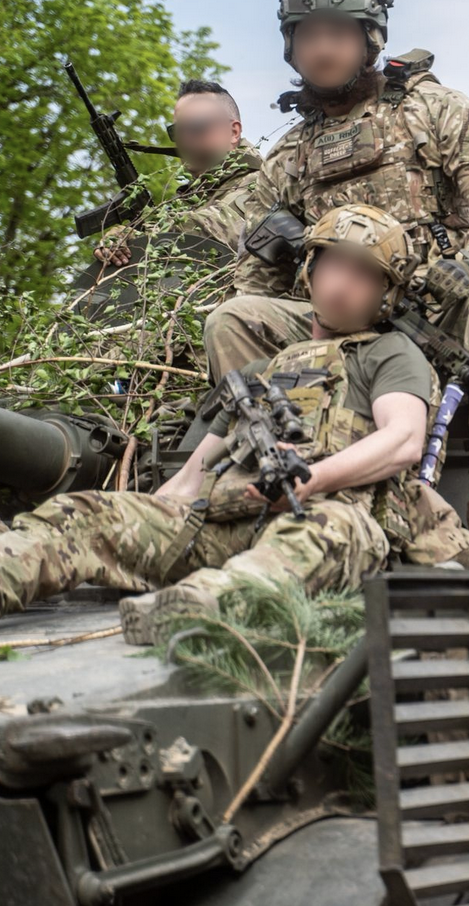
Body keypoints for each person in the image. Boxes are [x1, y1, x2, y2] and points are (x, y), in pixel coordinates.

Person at [202, 0, 469, 567]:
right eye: (309, 36)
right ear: (291, 48)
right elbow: (255, 267)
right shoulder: (289, 155)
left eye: (338, 34)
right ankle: (280, 468)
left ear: (370, 37)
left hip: (435, 309)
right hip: (334, 324)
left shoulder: (433, 110)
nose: (323, 49)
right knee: (233, 320)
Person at [0, 206, 434, 647]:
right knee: (83, 516)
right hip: (227, 523)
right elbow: (190, 481)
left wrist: (314, 479)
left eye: (363, 275)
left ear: (385, 294)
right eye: (336, 266)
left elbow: (403, 440)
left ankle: (200, 607)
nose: (342, 285)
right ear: (311, 268)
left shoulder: (388, 353)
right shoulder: (258, 374)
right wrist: (139, 518)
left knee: (325, 531)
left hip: (327, 518)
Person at [95, 79, 263, 266]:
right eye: (178, 131)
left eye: (196, 128)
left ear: (233, 132)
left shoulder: (261, 183)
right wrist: (119, 239)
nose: (185, 139)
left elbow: (215, 230)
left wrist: (139, 234)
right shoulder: (188, 200)